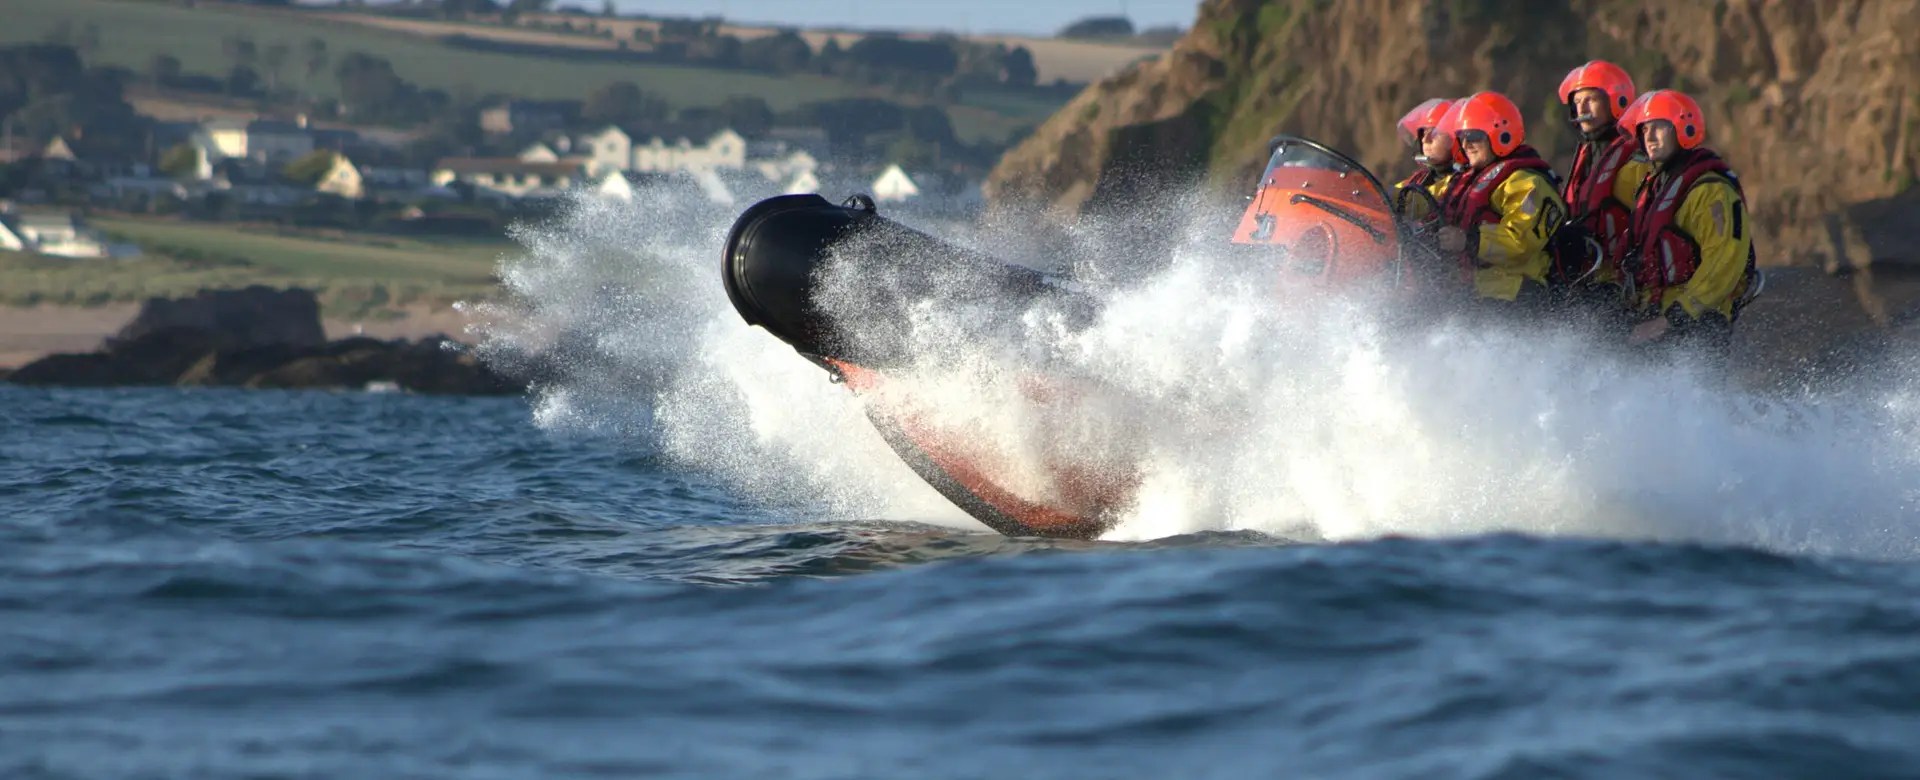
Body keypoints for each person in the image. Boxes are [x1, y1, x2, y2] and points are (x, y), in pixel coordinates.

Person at [1617, 89, 1758, 362]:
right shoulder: (1653, 186)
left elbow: (1724, 259)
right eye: (1645, 130)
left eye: (1660, 128)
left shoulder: (1710, 192)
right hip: (1656, 315)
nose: (1650, 137)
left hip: (1695, 319)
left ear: (1683, 128)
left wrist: (1675, 317)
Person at [1434, 91, 1568, 313]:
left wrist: (1468, 240)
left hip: (1516, 296)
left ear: (1501, 135)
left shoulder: (1528, 183)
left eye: (1474, 136)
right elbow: (1425, 197)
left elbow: (1519, 241)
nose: (1466, 144)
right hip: (1475, 296)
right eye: (1462, 137)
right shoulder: (1464, 179)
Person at [1556, 60, 1648, 315]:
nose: (1581, 108)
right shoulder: (1588, 155)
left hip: (1618, 283)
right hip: (1585, 279)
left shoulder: (1635, 159)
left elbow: (1650, 222)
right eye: (1577, 102)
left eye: (1591, 100)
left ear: (1615, 102)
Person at [1393, 97, 1456, 221]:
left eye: (1434, 133)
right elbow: (1392, 193)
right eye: (1423, 132)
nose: (1425, 139)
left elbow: (1432, 197)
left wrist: (1391, 197)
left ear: (1455, 138)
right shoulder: (1420, 179)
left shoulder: (1462, 182)